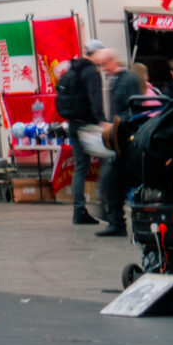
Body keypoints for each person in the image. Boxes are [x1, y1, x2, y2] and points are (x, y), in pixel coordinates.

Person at [56, 44, 131, 230]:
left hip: (73, 124)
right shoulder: (91, 73)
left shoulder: (73, 68)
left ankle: (79, 209)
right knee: (108, 160)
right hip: (88, 125)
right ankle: (104, 203)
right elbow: (95, 99)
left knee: (81, 167)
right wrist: (102, 121)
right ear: (96, 54)